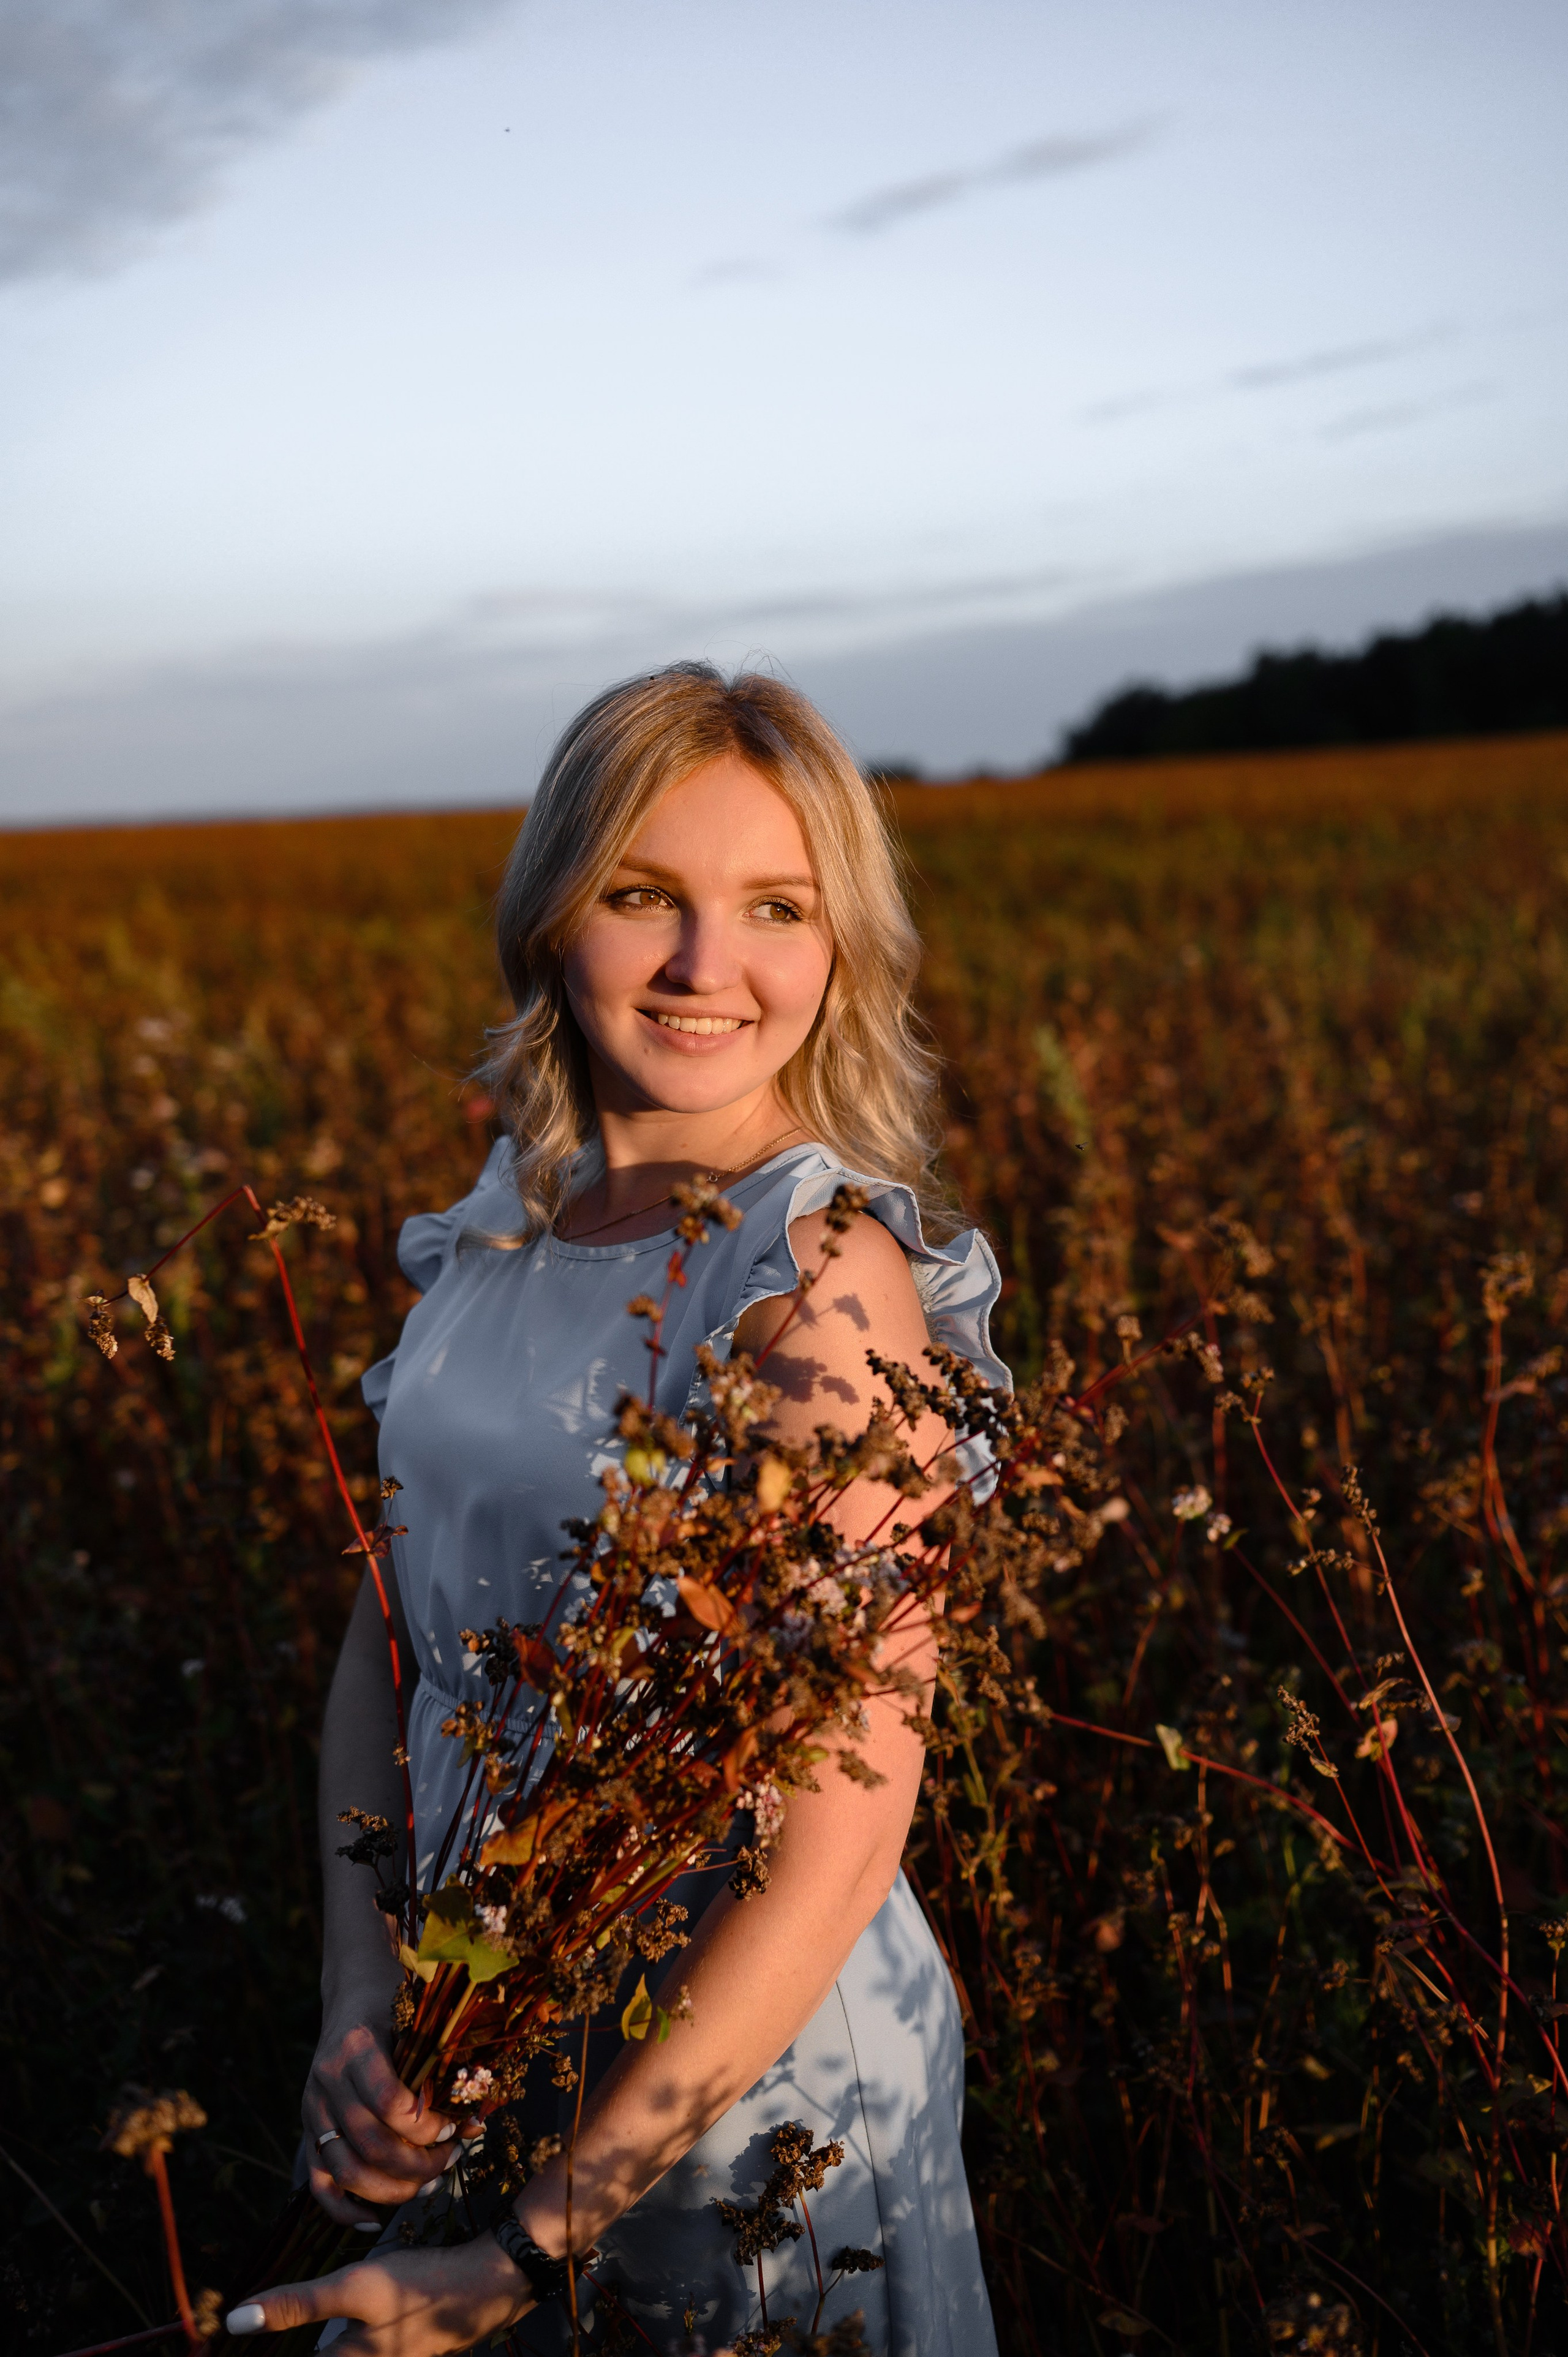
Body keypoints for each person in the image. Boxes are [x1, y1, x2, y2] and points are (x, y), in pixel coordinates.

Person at [228, 664, 1006, 2356]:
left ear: (842, 945)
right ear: (552, 913)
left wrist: (526, 2249)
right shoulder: (506, 1223)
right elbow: (399, 1630)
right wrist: (367, 1990)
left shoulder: (818, 1282)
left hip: (736, 2087)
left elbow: (839, 1837)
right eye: (644, 894)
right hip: (477, 2016)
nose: (704, 967)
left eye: (776, 907)